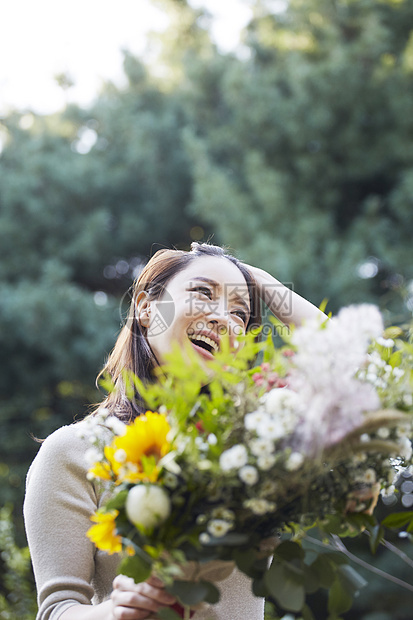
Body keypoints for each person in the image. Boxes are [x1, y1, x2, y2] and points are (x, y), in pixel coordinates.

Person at [24, 243, 326, 620]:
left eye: (239, 313)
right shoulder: (72, 452)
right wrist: (117, 610)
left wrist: (263, 284)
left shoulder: (248, 445)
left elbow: (361, 373)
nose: (221, 318)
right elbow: (57, 610)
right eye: (203, 292)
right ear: (147, 309)